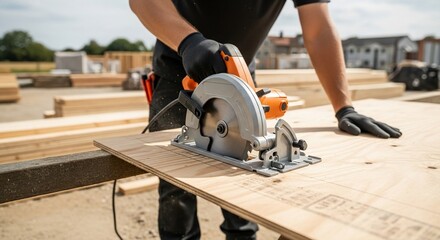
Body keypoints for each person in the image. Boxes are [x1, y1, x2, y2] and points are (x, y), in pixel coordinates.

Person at [129, 1, 402, 239]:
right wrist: (188, 42)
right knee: (176, 186)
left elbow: (318, 28)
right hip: (179, 69)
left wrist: (344, 107)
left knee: (244, 176)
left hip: (239, 74)